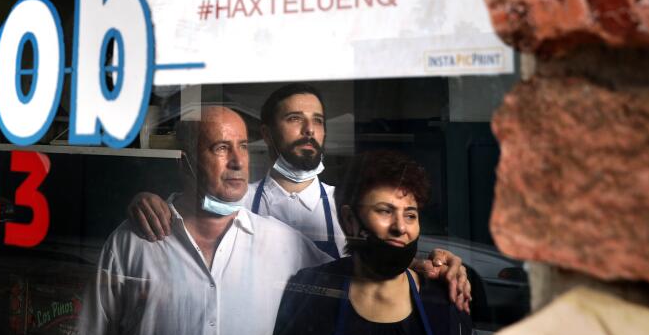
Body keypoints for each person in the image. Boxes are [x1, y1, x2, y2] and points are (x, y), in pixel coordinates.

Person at [128, 84, 471, 310]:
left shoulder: (352, 209)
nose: (309, 130)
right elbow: (184, 218)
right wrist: (148, 201)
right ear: (267, 133)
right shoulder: (235, 201)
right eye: (295, 119)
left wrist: (434, 266)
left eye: (317, 121)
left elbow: (381, 263)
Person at [72, 106, 330, 335]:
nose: (237, 161)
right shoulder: (132, 242)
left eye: (242, 147)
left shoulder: (283, 243)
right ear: (185, 163)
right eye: (220, 148)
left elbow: (349, 285)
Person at [270, 150, 475, 335]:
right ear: (350, 220)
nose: (400, 227)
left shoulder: (443, 298)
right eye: (385, 211)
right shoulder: (311, 291)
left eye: (410, 215)